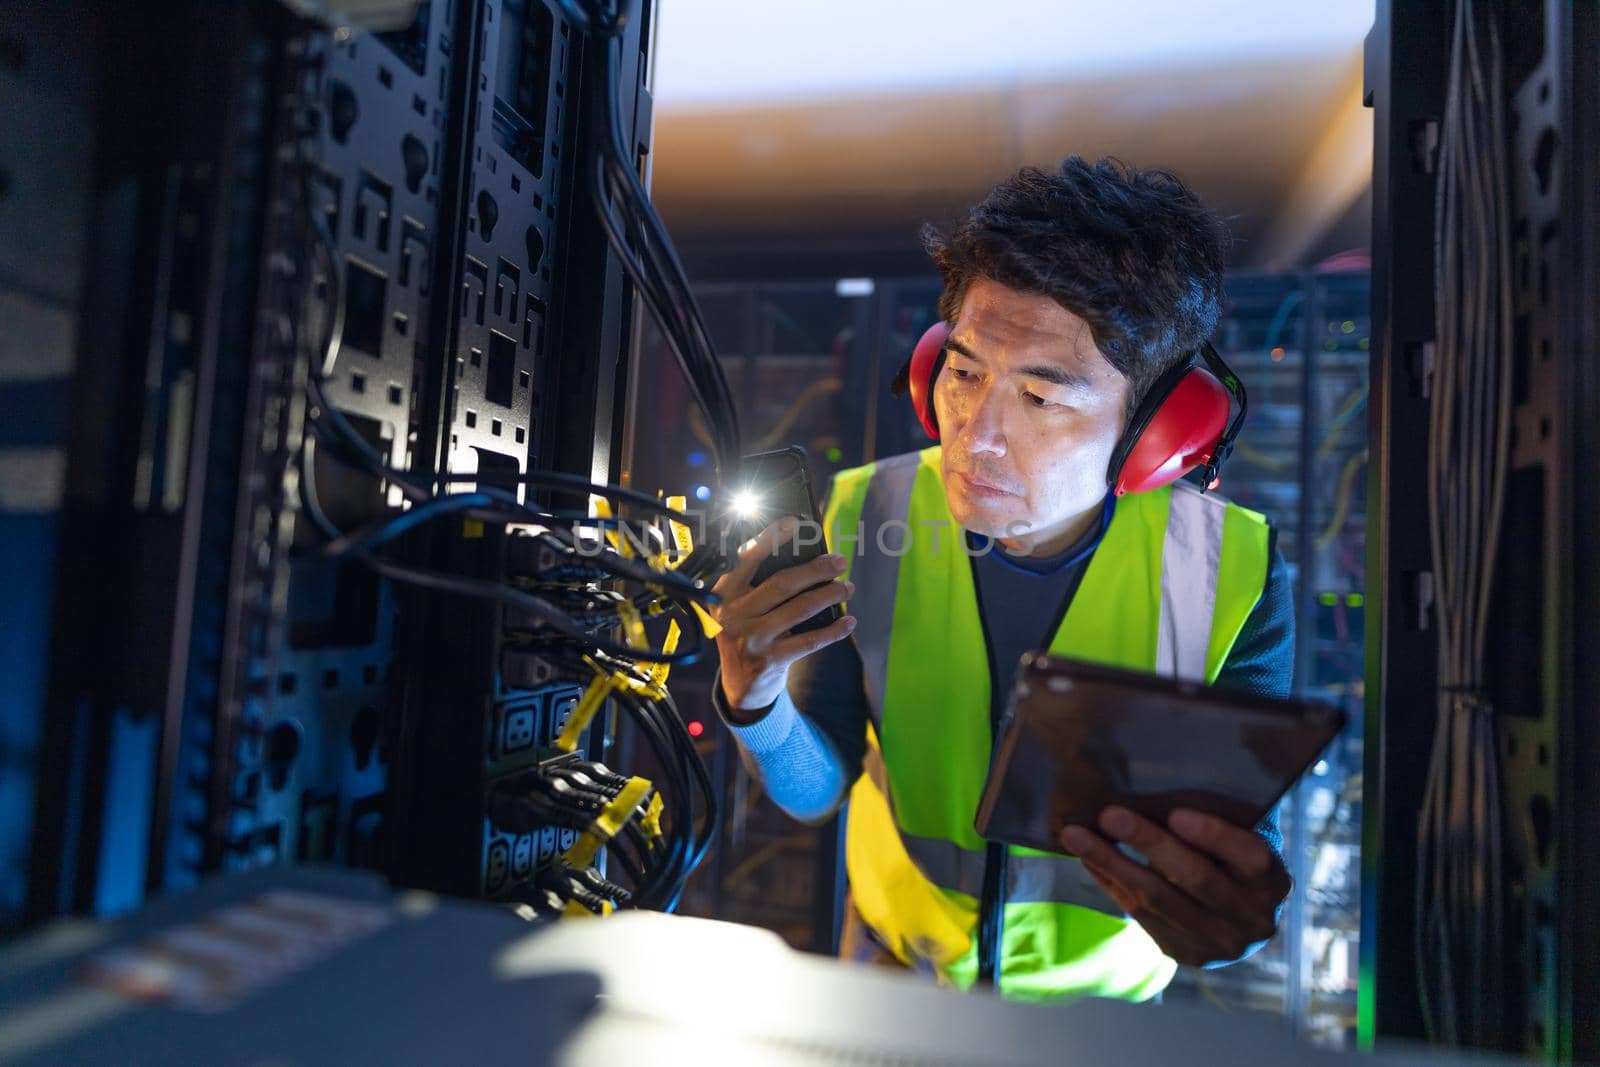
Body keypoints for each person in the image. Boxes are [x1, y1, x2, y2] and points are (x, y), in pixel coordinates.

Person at [708, 157, 1294, 1003]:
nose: (974, 436)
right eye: (965, 371)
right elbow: (816, 788)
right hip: (894, 967)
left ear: (1157, 434)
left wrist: (1224, 925)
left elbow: (1233, 870)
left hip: (1103, 1015)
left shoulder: (1231, 571)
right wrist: (755, 699)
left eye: (1042, 399)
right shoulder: (867, 509)